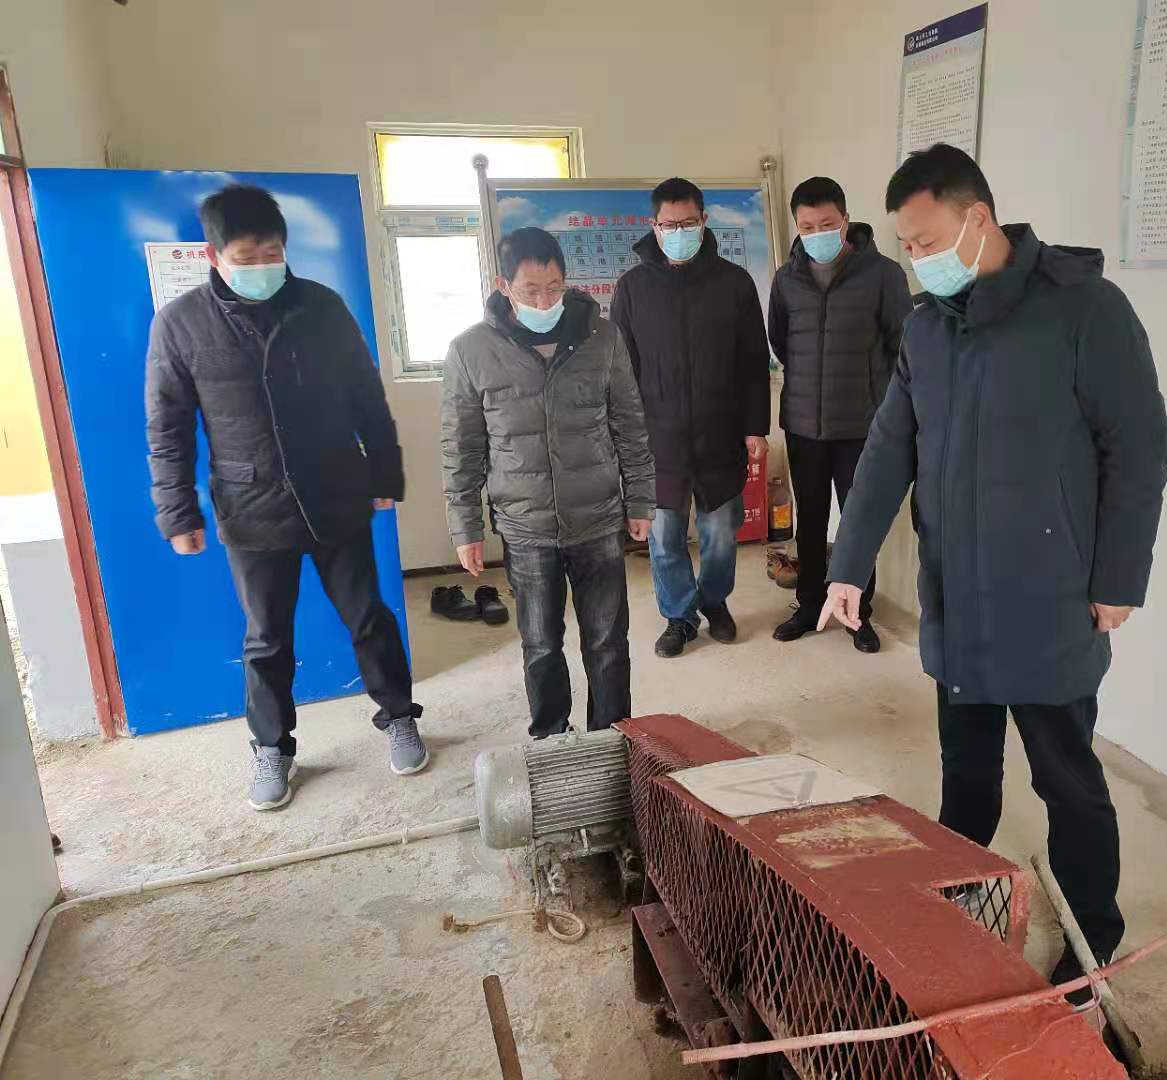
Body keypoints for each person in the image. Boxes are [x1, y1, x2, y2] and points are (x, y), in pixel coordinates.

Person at [820, 144, 1167, 998]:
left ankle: (1091, 945)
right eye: (905, 246)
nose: (917, 260)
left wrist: (1118, 579)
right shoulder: (929, 328)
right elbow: (888, 450)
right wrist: (849, 565)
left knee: (1067, 783)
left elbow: (1139, 448)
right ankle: (962, 915)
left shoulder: (1084, 310)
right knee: (966, 776)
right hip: (959, 599)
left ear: (977, 219)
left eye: (925, 240)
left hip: (1052, 599)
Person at [145, 184, 423, 813]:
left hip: (336, 493)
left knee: (369, 617)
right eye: (247, 258)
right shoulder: (180, 324)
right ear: (213, 256)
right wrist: (178, 511)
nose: (262, 267)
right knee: (267, 638)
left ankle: (400, 716)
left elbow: (366, 397)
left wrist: (385, 475)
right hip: (251, 507)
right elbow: (167, 427)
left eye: (272, 254)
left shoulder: (321, 306)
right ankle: (273, 747)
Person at [441, 227, 654, 738]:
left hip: (597, 517)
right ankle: (551, 739)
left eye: (554, 288)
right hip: (525, 525)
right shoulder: (470, 350)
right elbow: (461, 446)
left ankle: (611, 737)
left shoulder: (602, 336)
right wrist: (465, 527)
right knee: (540, 644)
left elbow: (629, 422)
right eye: (531, 290)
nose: (544, 301)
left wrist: (641, 498)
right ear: (503, 285)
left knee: (607, 641)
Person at [611, 178, 770, 658]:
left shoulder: (734, 283)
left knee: (720, 535)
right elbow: (622, 371)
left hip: (720, 434)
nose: (678, 232)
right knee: (665, 539)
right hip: (657, 442)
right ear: (654, 226)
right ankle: (679, 617)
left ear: (703, 222)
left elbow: (752, 361)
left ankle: (715, 602)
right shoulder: (633, 288)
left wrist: (755, 426)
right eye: (669, 224)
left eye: (688, 223)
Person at [767, 177, 912, 653]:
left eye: (826, 224)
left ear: (845, 221)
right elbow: (780, 340)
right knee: (809, 520)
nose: (817, 233)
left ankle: (858, 613)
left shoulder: (884, 275)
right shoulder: (786, 279)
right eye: (807, 226)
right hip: (803, 424)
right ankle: (809, 605)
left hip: (863, 427)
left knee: (858, 521)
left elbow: (902, 346)